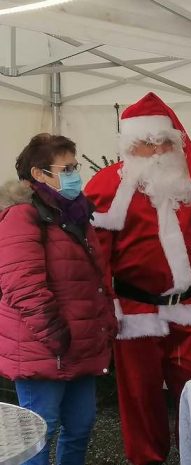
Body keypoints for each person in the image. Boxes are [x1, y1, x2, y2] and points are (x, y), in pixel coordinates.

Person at [84, 93, 191, 465]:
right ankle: (147, 459)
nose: (155, 150)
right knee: (140, 395)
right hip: (135, 311)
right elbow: (96, 251)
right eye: (146, 143)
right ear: (131, 146)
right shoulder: (107, 185)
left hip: (190, 306)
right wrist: (107, 305)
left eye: (162, 141)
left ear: (174, 141)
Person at [0, 134, 117, 465]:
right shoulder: (22, 215)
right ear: (39, 173)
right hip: (45, 347)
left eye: (75, 166)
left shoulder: (77, 215)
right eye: (67, 167)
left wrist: (105, 323)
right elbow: (21, 285)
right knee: (38, 435)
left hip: (80, 346)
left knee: (80, 428)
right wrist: (56, 336)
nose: (75, 174)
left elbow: (95, 278)